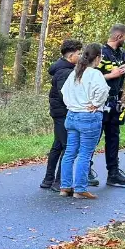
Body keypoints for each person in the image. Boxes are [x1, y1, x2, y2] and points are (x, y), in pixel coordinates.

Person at [42, 39, 99, 190]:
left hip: (60, 112)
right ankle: (59, 182)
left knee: (57, 145)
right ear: (71, 55)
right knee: (68, 147)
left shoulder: (66, 69)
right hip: (62, 113)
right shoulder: (64, 72)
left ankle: (48, 180)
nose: (81, 56)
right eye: (79, 53)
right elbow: (65, 94)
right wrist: (79, 106)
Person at [58, 43, 109, 200]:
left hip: (72, 115)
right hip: (88, 116)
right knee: (85, 154)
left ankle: (65, 186)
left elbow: (64, 91)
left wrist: (72, 105)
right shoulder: (95, 74)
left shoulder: (76, 72)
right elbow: (103, 90)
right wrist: (96, 103)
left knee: (70, 152)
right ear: (98, 57)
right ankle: (80, 188)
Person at [97, 24, 125, 186]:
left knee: (114, 136)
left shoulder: (122, 54)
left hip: (115, 100)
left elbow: (121, 78)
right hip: (100, 100)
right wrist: (112, 74)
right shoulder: (101, 53)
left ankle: (113, 172)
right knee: (95, 135)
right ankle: (87, 170)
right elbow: (91, 76)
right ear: (119, 37)